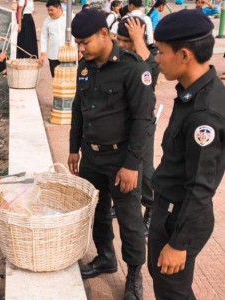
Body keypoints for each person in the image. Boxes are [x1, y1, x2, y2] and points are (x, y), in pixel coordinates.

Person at [68, 9, 154, 300]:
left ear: (104, 34)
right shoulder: (85, 66)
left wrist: (132, 165)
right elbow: (78, 110)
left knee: (130, 221)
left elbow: (143, 120)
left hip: (121, 161)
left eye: (85, 42)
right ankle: (106, 257)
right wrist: (72, 149)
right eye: (78, 43)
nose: (81, 48)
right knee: (98, 213)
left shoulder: (132, 68)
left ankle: (134, 276)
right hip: (91, 157)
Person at [149, 9, 225, 299]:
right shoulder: (193, 91)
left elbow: (201, 186)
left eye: (161, 51)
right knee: (166, 285)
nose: (156, 58)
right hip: (170, 207)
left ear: (184, 55)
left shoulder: (204, 114)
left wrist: (179, 243)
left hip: (181, 216)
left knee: (173, 292)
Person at [116, 17, 160, 237]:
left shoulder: (147, 56)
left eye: (128, 40)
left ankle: (152, 208)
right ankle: (121, 203)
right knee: (120, 164)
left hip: (142, 124)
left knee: (144, 171)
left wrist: (138, 40)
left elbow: (151, 71)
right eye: (119, 39)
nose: (122, 44)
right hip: (121, 123)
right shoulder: (117, 55)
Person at [39, 0, 74, 78]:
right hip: (54, 56)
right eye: (48, 10)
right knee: (56, 79)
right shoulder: (47, 21)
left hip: (68, 54)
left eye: (52, 10)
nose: (49, 12)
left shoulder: (70, 17)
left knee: (69, 78)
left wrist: (80, 51)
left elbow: (77, 33)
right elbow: (44, 37)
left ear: (59, 8)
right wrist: (42, 54)